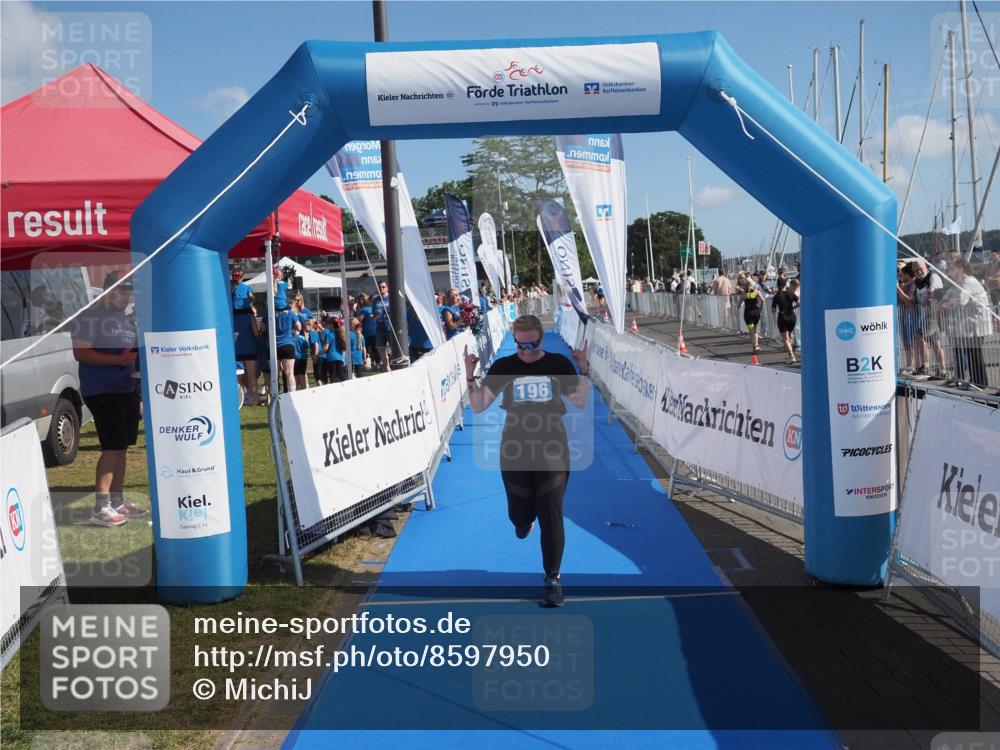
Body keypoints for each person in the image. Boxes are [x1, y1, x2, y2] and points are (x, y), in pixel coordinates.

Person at [463, 315, 591, 608]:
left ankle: (552, 580)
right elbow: (479, 406)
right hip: (515, 449)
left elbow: (580, 401)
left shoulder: (558, 364)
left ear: (541, 340)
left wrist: (583, 370)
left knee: (551, 514)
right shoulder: (504, 367)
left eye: (532, 345)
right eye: (521, 345)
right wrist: (470, 377)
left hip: (553, 448)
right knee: (519, 517)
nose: (526, 351)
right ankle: (523, 521)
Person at [70, 271, 147, 527]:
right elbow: (81, 352)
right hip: (103, 391)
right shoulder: (89, 315)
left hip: (126, 388)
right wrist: (118, 359)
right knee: (111, 448)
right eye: (123, 292)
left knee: (122, 449)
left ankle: (118, 501)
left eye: (129, 294)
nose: (127, 298)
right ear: (108, 290)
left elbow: (127, 350)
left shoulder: (122, 317)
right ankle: (101, 507)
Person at [940, 260, 991, 386]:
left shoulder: (969, 282)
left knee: (974, 353)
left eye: (952, 269)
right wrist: (943, 301)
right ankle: (974, 381)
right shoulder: (959, 283)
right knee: (970, 352)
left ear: (961, 269)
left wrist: (944, 305)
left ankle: (980, 383)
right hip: (968, 324)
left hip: (976, 324)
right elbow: (947, 296)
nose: (950, 272)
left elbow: (960, 300)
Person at [232, 269, 260, 406]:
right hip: (249, 347)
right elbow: (256, 333)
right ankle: (254, 399)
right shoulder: (250, 316)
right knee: (251, 375)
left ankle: (238, 400)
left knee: (237, 376)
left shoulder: (230, 317)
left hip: (236, 348)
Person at [770, 278, 799, 363]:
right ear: (785, 285)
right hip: (792, 316)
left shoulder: (777, 296)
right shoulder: (791, 293)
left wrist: (775, 308)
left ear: (778, 285)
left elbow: (773, 310)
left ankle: (791, 356)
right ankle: (791, 351)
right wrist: (793, 307)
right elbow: (799, 302)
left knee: (785, 338)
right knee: (789, 336)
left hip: (782, 316)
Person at [372, 281, 393, 372]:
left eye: (383, 287)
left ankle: (395, 366)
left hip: (390, 328)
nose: (381, 288)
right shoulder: (375, 300)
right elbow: (374, 312)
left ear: (387, 288)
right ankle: (387, 368)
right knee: (381, 349)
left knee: (394, 349)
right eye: (379, 287)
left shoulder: (391, 298)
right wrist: (373, 316)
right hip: (379, 328)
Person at [741, 279, 764, 354]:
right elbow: (763, 300)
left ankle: (755, 346)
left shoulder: (744, 294)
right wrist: (760, 307)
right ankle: (756, 345)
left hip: (748, 312)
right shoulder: (757, 292)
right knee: (755, 330)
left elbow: (739, 304)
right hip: (756, 312)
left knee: (751, 331)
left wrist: (740, 304)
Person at [292, 321, 309, 390]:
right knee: (302, 376)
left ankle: (297, 391)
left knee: (295, 377)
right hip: (302, 359)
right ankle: (303, 391)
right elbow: (306, 346)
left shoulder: (291, 338)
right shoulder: (302, 338)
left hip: (294, 359)